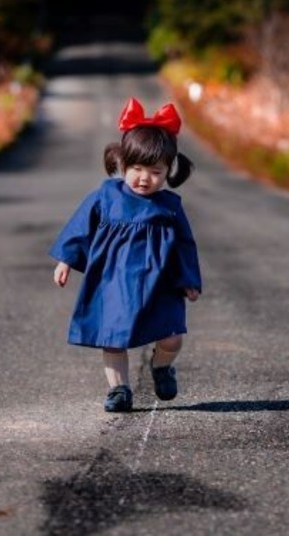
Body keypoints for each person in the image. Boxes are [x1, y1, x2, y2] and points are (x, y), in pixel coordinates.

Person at [50, 97, 203, 412]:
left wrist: (189, 279)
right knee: (113, 337)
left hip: (160, 283)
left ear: (169, 171)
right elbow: (81, 226)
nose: (145, 178)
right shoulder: (106, 196)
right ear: (121, 163)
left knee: (172, 337)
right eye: (136, 169)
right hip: (114, 280)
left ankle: (161, 367)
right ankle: (118, 390)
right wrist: (65, 259)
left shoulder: (170, 207)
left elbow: (185, 244)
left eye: (155, 171)